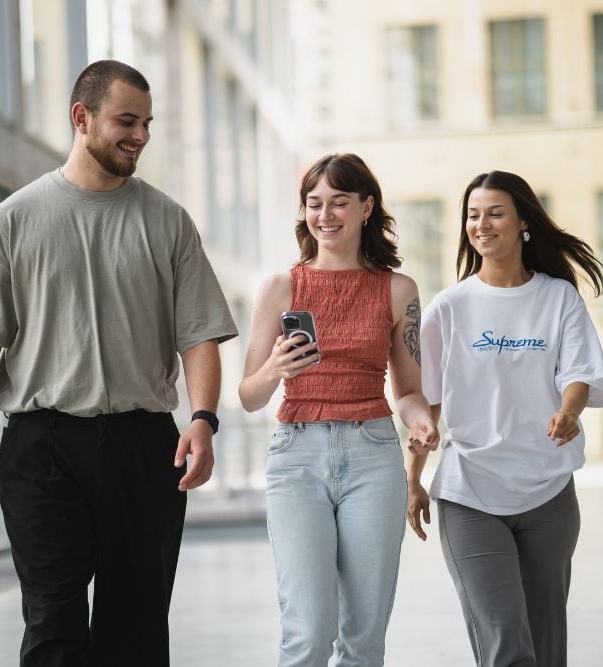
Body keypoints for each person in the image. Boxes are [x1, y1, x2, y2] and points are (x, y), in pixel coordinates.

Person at [0, 60, 237, 666]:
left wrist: (202, 419)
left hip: (144, 446)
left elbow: (200, 336)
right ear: (82, 118)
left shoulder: (168, 221)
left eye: (148, 123)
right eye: (127, 121)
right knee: (53, 622)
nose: (141, 136)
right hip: (41, 447)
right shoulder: (14, 221)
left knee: (138, 625)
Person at [408, 170, 603, 666]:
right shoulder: (450, 307)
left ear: (523, 220)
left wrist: (568, 411)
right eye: (473, 215)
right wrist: (413, 477)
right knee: (504, 636)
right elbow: (426, 403)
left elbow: (580, 370)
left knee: (546, 642)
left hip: (547, 491)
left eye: (495, 212)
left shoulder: (557, 297)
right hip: (469, 492)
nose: (481, 224)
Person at [239, 153, 438, 666]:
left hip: (372, 453)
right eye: (314, 203)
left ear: (367, 207)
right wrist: (277, 368)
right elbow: (249, 395)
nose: (325, 215)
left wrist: (420, 420)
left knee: (364, 637)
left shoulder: (398, 290)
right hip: (296, 456)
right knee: (307, 631)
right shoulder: (280, 288)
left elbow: (409, 391)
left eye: (338, 202)